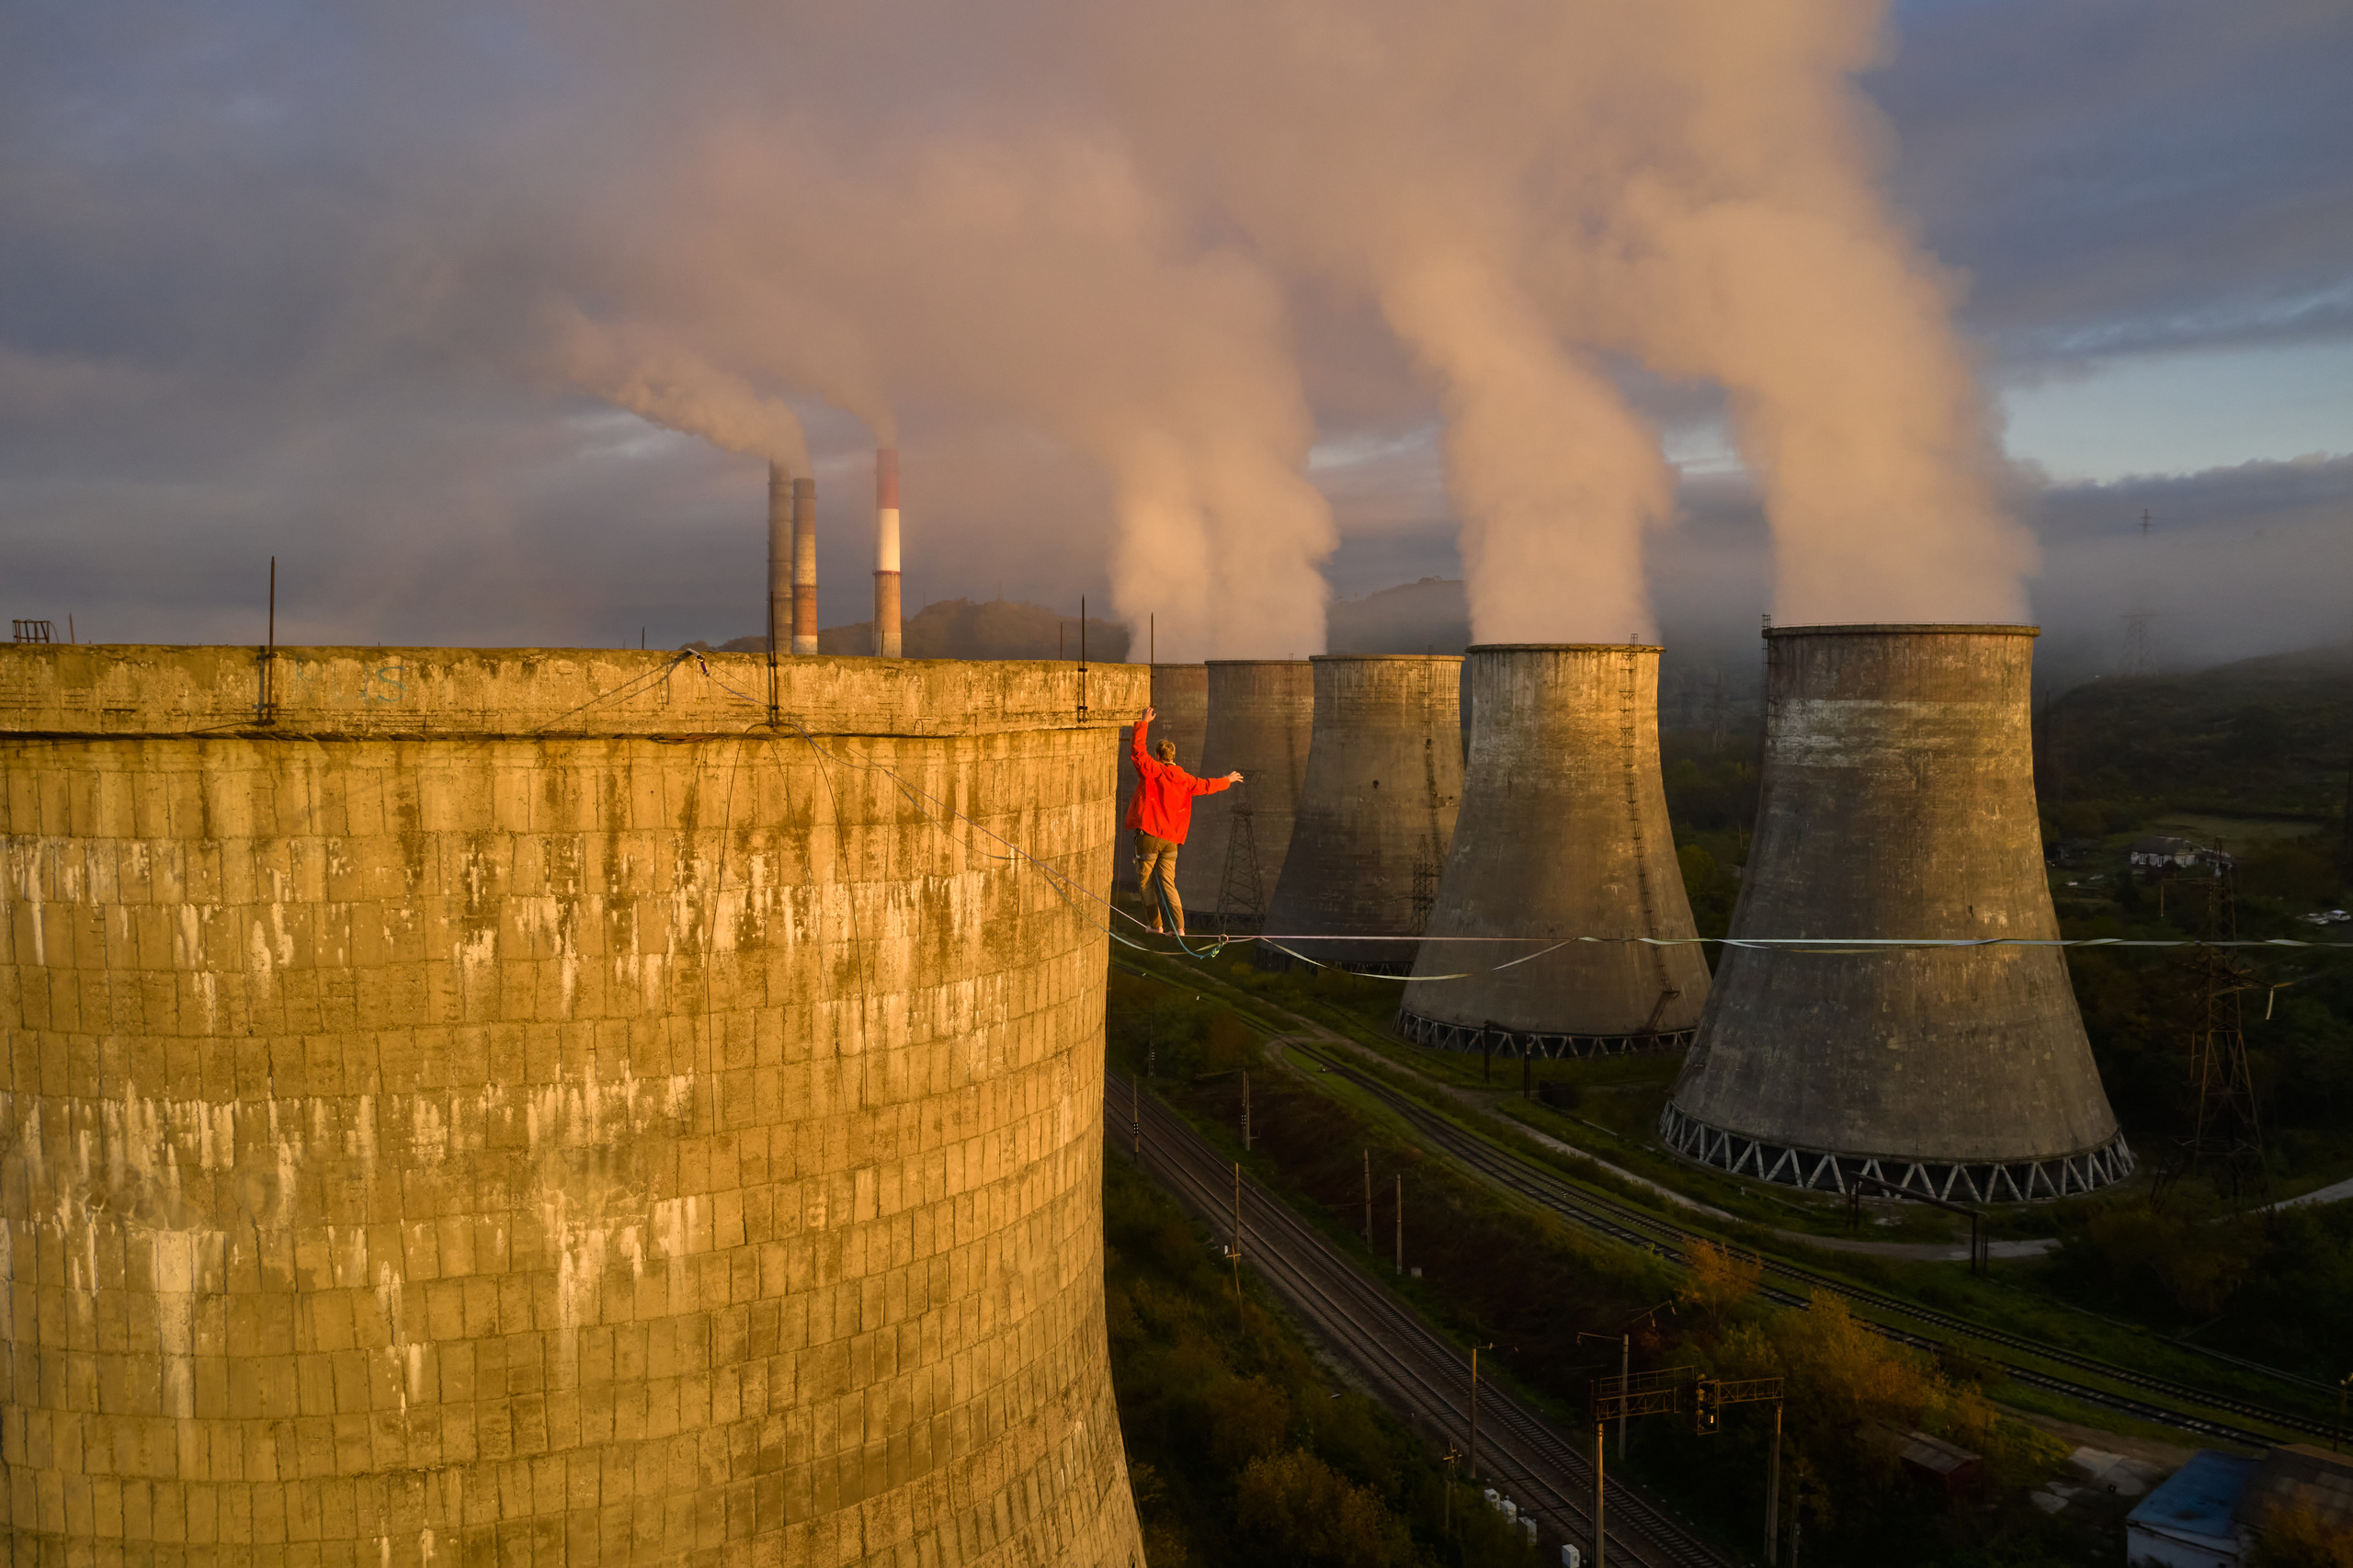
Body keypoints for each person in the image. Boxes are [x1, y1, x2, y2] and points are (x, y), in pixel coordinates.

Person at [1126, 705, 1243, 937]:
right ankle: (1179, 928)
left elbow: (1138, 752)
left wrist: (1143, 722)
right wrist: (1227, 779)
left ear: (1159, 756)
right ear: (1173, 757)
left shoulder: (1153, 770)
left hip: (1149, 835)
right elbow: (1208, 786)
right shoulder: (1186, 780)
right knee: (1168, 883)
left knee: (1146, 881)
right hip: (1171, 841)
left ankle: (1156, 925)